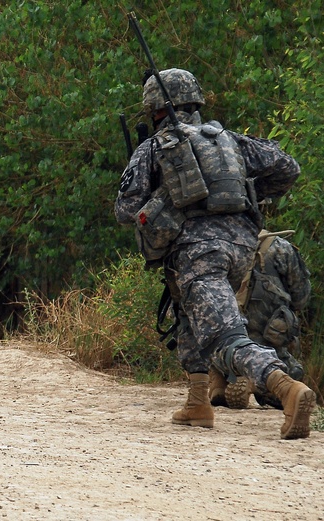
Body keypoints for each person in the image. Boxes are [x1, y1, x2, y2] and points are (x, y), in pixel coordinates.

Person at [114, 68, 316, 439]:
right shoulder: (228, 140)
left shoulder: (156, 146)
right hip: (242, 246)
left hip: (197, 251)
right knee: (190, 314)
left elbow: (126, 211)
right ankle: (197, 402)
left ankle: (287, 388)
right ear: (196, 102)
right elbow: (289, 168)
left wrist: (164, 199)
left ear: (155, 110)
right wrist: (250, 192)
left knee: (224, 334)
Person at [214, 229, 311, 410]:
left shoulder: (217, 245)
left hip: (227, 336)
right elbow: (301, 297)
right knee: (294, 374)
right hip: (268, 336)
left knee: (215, 340)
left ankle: (219, 378)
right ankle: (257, 383)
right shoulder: (281, 248)